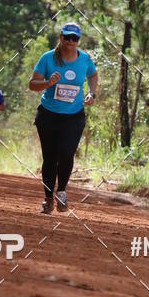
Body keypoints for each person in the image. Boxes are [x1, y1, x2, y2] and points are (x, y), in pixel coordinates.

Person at [29, 22, 97, 214]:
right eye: (67, 37)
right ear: (61, 37)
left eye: (74, 38)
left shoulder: (85, 59)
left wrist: (91, 93)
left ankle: (61, 192)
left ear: (79, 40)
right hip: (48, 115)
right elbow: (32, 84)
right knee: (50, 158)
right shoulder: (47, 58)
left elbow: (93, 75)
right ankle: (48, 198)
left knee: (66, 153)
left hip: (74, 116)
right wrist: (47, 83)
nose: (70, 41)